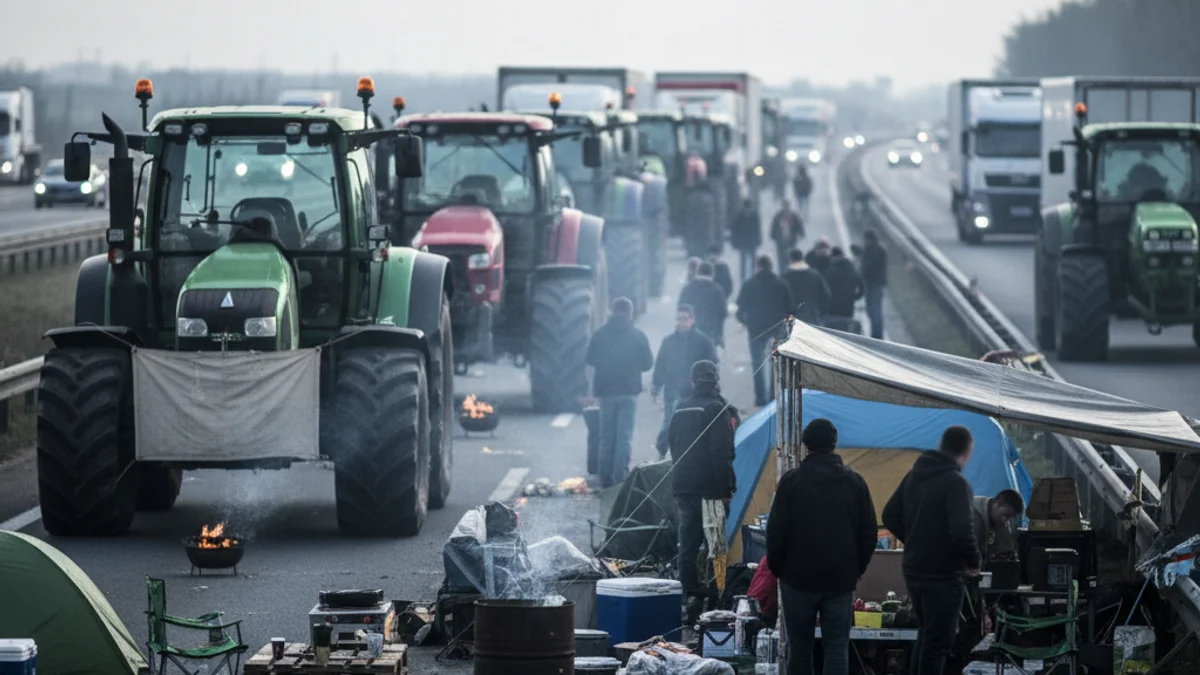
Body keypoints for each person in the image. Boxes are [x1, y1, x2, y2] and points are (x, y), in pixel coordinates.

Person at [767, 419, 876, 675]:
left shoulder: (791, 482)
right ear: (834, 444)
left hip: (796, 579)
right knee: (837, 648)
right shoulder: (855, 483)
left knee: (800, 649)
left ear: (806, 445)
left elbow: (775, 532)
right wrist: (856, 568)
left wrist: (778, 568)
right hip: (840, 580)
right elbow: (869, 533)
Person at [882, 426, 980, 675]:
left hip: (914, 570)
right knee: (937, 644)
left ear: (940, 444)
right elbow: (961, 531)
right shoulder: (957, 484)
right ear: (967, 451)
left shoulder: (914, 475)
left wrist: (915, 540)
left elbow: (889, 515)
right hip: (944, 575)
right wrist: (973, 561)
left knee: (925, 637)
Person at [667, 360, 737, 621]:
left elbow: (671, 445)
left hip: (683, 489)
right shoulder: (716, 408)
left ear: (693, 381)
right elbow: (722, 454)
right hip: (711, 492)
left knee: (687, 546)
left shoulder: (680, 409)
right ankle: (714, 600)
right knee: (715, 547)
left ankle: (689, 597)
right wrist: (727, 488)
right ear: (715, 380)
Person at [583, 297, 654, 488]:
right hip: (628, 391)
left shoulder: (599, 335)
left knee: (606, 435)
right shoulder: (638, 335)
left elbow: (590, 360)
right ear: (630, 313)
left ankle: (604, 478)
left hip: (605, 392)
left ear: (612, 311)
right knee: (624, 436)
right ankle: (620, 477)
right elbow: (648, 364)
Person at [651, 305, 718, 458]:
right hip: (672, 390)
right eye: (679, 319)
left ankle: (685, 455)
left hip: (694, 391)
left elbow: (712, 365)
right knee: (670, 423)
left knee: (691, 425)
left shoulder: (703, 341)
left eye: (685, 319)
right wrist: (656, 387)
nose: (681, 322)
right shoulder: (669, 341)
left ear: (692, 319)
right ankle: (663, 451)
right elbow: (660, 364)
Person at [735, 255, 795, 406]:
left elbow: (740, 305)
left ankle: (760, 396)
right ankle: (773, 395)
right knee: (775, 361)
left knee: (757, 362)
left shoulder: (749, 284)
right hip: (777, 327)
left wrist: (743, 320)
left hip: (755, 328)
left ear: (758, 266)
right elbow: (790, 306)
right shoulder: (781, 283)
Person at [680, 261, 728, 348]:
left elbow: (681, 308)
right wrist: (719, 335)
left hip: (690, 330)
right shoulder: (717, 290)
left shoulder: (688, 288)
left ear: (698, 272)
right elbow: (723, 313)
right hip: (710, 332)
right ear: (712, 274)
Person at [782, 248, 832, 327]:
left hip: (793, 322)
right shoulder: (815, 275)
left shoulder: (785, 277)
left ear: (791, 260)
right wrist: (821, 313)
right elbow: (826, 296)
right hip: (813, 319)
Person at [973, 489, 1024, 564]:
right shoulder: (973, 514)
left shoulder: (997, 518)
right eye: (1006, 516)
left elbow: (1005, 550)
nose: (1006, 521)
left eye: (1010, 518)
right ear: (997, 504)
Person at [823, 247, 865, 334]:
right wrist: (854, 297)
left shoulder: (830, 271)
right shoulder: (852, 270)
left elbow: (824, 290)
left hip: (832, 311)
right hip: (848, 311)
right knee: (845, 335)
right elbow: (862, 288)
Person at [860, 230, 888, 339]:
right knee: (870, 310)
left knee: (875, 311)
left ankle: (877, 336)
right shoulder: (868, 250)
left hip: (876, 284)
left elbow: (870, 266)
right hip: (869, 283)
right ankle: (875, 335)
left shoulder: (879, 250)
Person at [770, 199, 805, 275]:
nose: (785, 208)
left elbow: (799, 226)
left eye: (787, 206)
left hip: (791, 242)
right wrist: (774, 236)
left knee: (791, 260)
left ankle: (790, 274)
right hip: (780, 243)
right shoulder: (778, 216)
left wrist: (802, 233)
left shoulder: (794, 216)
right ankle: (782, 274)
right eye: (784, 206)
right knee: (781, 261)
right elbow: (773, 227)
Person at [730, 199, 762, 282]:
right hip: (744, 242)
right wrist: (734, 242)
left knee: (752, 260)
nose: (747, 209)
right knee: (743, 260)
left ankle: (752, 274)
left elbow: (757, 229)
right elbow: (735, 230)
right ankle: (742, 277)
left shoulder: (754, 215)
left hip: (751, 241)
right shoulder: (739, 216)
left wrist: (758, 241)